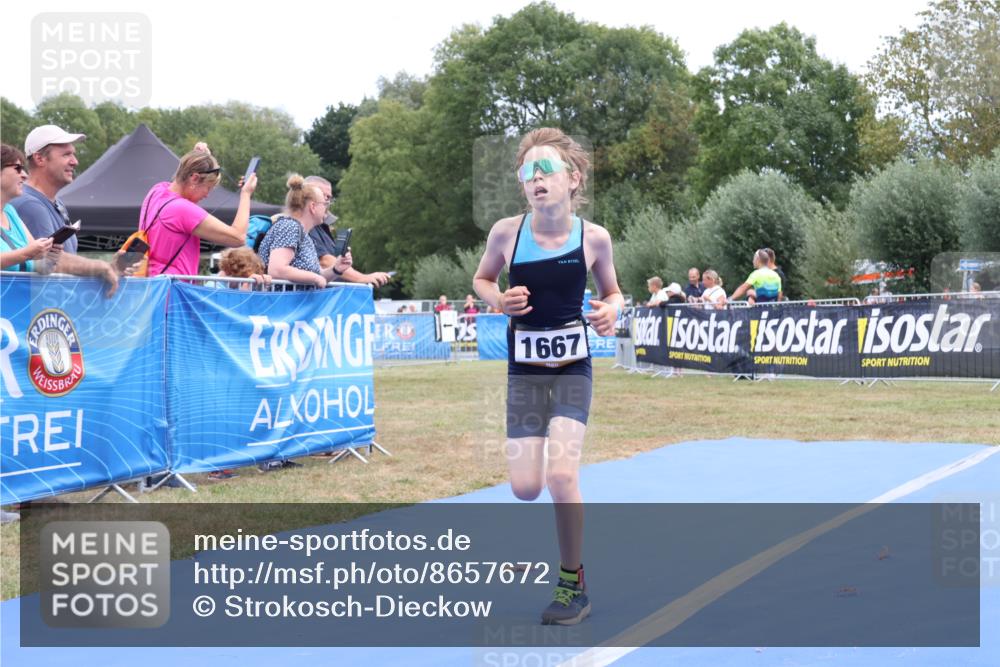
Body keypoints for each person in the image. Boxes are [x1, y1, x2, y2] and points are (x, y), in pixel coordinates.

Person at [473, 128, 623, 626]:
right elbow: (482, 279)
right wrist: (499, 300)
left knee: (561, 476)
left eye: (546, 170)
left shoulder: (593, 238)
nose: (536, 179)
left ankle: (572, 582)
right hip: (525, 373)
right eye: (527, 172)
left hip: (572, 369)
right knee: (525, 487)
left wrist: (612, 311)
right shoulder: (506, 233)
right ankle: (568, 570)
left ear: (573, 178)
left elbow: (613, 292)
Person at [10, 125, 119, 295]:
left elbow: (61, 258)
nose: (75, 161)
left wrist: (112, 268)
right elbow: (49, 260)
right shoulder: (30, 205)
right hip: (42, 307)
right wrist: (101, 267)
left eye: (73, 154)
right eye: (66, 154)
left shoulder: (56, 203)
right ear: (40, 159)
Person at [136, 142, 257, 277]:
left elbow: (182, 177)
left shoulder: (157, 191)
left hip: (149, 282)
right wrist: (246, 194)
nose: (207, 195)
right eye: (208, 187)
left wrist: (200, 160)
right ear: (194, 178)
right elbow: (238, 237)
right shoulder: (181, 209)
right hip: (173, 287)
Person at [257, 174, 351, 287]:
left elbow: (319, 275)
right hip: (282, 298)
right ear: (313, 207)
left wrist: (336, 269)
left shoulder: (303, 233)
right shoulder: (289, 227)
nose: (327, 208)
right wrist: (315, 278)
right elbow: (277, 270)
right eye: (324, 204)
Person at [303, 175, 391, 286]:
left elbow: (326, 267)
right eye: (325, 198)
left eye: (329, 198)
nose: (328, 203)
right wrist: (362, 278)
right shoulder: (303, 226)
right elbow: (324, 261)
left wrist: (341, 265)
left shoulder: (319, 225)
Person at [1, 144, 56, 272]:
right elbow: (28, 253)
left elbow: (34, 262)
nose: (25, 175)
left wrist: (49, 258)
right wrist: (26, 253)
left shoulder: (10, 212)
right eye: (18, 168)